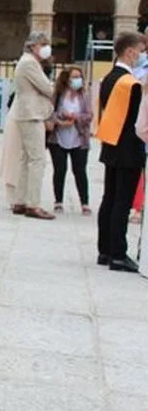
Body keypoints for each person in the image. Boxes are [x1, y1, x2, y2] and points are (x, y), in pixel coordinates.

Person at [94, 31, 146, 273]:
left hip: (111, 145)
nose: (141, 54)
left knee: (109, 199)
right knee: (122, 203)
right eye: (140, 50)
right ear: (130, 51)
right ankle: (118, 253)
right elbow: (137, 122)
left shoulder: (108, 78)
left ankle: (104, 250)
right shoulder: (131, 84)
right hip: (129, 149)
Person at [11, 32, 56, 219]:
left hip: (26, 112)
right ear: (33, 46)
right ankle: (33, 204)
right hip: (32, 114)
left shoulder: (26, 61)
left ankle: (21, 200)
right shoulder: (30, 62)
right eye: (42, 44)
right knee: (37, 159)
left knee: (26, 159)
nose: (45, 47)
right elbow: (48, 87)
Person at [47, 66, 92, 215]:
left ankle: (84, 203)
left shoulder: (84, 96)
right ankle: (58, 201)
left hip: (78, 138)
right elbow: (49, 112)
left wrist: (76, 117)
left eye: (79, 77)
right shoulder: (58, 95)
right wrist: (61, 118)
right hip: (58, 137)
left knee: (80, 171)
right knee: (60, 170)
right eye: (74, 77)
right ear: (67, 79)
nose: (77, 80)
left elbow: (89, 115)